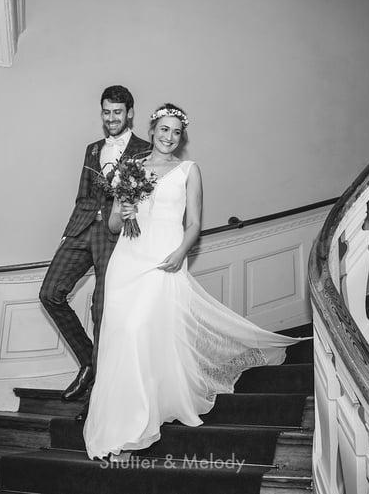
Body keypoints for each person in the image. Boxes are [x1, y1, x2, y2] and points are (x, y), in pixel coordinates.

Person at [83, 103, 307, 461]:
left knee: (142, 329)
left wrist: (180, 253)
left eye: (176, 131)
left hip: (164, 259)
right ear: (153, 129)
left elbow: (194, 223)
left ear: (181, 136)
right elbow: (112, 224)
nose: (169, 137)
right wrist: (123, 213)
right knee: (121, 334)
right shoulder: (131, 168)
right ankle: (118, 420)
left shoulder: (189, 170)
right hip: (127, 259)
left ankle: (138, 424)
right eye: (163, 129)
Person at [39, 85, 151, 417]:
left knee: (103, 309)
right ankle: (90, 362)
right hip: (82, 228)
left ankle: (100, 392)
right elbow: (83, 196)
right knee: (49, 293)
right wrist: (66, 235)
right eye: (106, 112)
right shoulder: (92, 149)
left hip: (115, 234)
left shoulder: (146, 150)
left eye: (117, 112)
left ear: (129, 113)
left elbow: (146, 199)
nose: (111, 118)